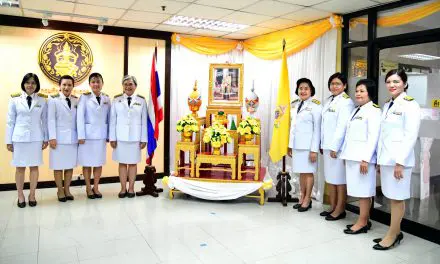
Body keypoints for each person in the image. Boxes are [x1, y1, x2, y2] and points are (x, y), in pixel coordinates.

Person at [374, 69, 421, 250]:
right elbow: (383, 135)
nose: (392, 85)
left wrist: (400, 162)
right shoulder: (388, 105)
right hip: (387, 159)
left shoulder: (410, 105)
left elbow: (410, 136)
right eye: (389, 82)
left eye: (396, 82)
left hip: (399, 162)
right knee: (391, 196)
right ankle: (395, 231)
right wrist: (379, 160)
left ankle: (392, 235)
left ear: (405, 84)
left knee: (396, 198)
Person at [339, 79, 381, 234]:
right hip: (352, 156)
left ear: (370, 93)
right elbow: (349, 135)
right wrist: (345, 155)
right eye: (357, 91)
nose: (358, 94)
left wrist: (366, 159)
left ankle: (362, 222)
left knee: (364, 192)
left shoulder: (374, 111)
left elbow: (373, 137)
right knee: (359, 190)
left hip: (363, 159)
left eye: (362, 91)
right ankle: (364, 220)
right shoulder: (357, 110)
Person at [5, 73, 48, 208]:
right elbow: (10, 122)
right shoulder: (15, 99)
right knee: (20, 168)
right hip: (19, 139)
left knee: (34, 167)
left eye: (33, 83)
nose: (30, 85)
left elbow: (45, 121)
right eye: (28, 82)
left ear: (37, 85)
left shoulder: (42, 100)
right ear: (23, 84)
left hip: (36, 138)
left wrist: (46, 138)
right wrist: (8, 140)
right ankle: (20, 195)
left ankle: (32, 195)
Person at [320, 73, 354, 220]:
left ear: (344, 86)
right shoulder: (329, 101)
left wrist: (335, 147)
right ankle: (332, 206)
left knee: (339, 180)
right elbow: (324, 125)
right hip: (327, 146)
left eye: (338, 84)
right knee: (331, 179)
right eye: (332, 83)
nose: (334, 86)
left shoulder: (346, 102)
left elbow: (342, 127)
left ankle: (340, 209)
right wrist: (322, 144)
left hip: (337, 148)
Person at [110, 75, 147, 198]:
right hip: (120, 138)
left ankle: (131, 188)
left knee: (132, 163)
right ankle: (122, 188)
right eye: (125, 84)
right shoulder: (116, 100)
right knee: (122, 163)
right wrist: (112, 138)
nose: (128, 87)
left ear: (135, 86)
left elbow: (143, 121)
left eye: (131, 84)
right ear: (123, 86)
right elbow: (112, 120)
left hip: (135, 138)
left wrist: (143, 139)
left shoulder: (141, 101)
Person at [288, 78, 322, 212]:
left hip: (308, 147)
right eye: (300, 88)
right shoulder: (295, 105)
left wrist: (314, 150)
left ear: (311, 90)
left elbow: (317, 129)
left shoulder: (316, 105)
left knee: (308, 173)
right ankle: (302, 197)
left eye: (306, 88)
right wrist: (290, 145)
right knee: (301, 173)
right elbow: (293, 127)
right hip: (297, 145)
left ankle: (308, 199)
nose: (303, 91)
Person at [77, 73, 110, 199]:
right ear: (90, 84)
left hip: (101, 136)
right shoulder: (84, 98)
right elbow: (80, 117)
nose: (96, 84)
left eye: (98, 81)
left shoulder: (106, 98)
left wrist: (109, 135)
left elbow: (109, 118)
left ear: (102, 83)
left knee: (98, 163)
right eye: (93, 82)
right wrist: (81, 135)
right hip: (87, 137)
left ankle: (96, 187)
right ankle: (87, 187)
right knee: (87, 163)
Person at [48, 75, 79, 202]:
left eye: (69, 85)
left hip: (72, 139)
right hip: (58, 139)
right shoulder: (53, 99)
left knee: (69, 165)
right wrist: (52, 137)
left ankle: (67, 189)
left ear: (73, 86)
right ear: (59, 86)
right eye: (64, 85)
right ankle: (60, 190)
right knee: (58, 165)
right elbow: (50, 119)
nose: (67, 87)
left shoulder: (76, 100)